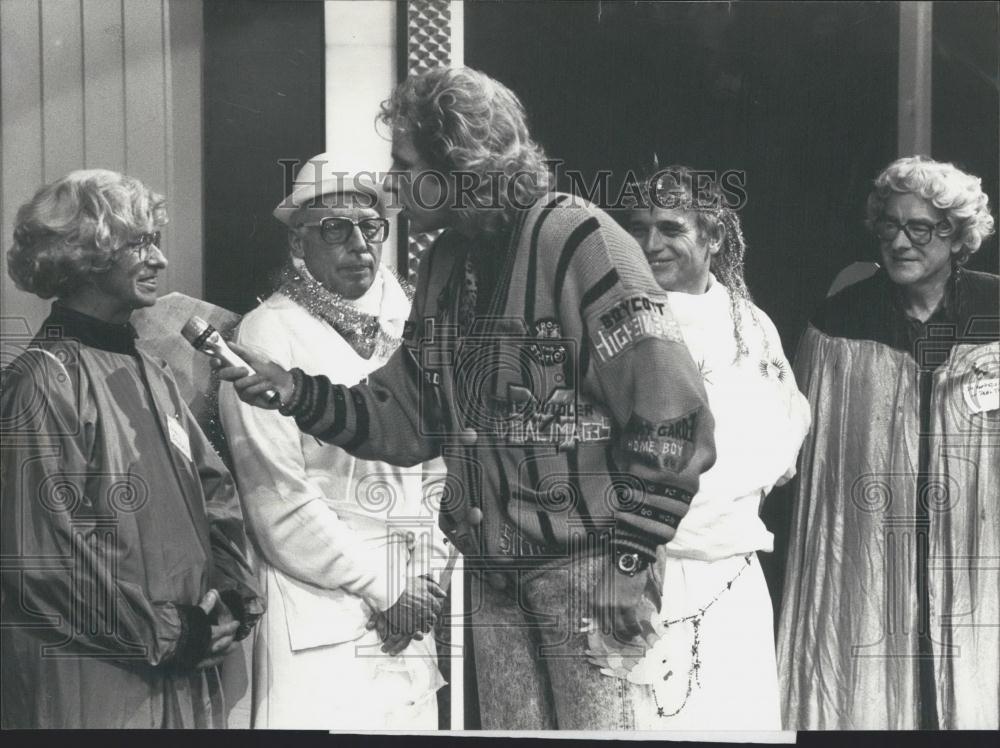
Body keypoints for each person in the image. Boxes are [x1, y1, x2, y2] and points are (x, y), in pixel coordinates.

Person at [215, 66, 718, 730]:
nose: (393, 184)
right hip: (495, 582)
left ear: (460, 165)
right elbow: (409, 417)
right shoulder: (448, 260)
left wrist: (629, 563)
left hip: (589, 576)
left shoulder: (582, 243)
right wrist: (294, 392)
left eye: (405, 163)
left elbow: (672, 418)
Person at [1, 169, 263, 728]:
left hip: (183, 668)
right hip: (97, 678)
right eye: (138, 243)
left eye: (155, 241)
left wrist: (233, 598)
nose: (160, 261)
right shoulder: (44, 382)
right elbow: (42, 559)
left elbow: (213, 496)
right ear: (86, 255)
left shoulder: (153, 371)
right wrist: (170, 633)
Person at [217, 154, 448, 729]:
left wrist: (426, 579)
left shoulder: (411, 324)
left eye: (371, 228)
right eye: (335, 229)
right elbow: (277, 500)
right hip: (321, 603)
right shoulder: (268, 332)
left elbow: (447, 464)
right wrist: (384, 588)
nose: (359, 245)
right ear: (300, 242)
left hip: (413, 604)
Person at [776, 155, 999, 729]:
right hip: (868, 558)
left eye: (919, 228)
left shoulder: (997, 311)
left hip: (979, 558)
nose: (899, 242)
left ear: (956, 237)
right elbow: (808, 463)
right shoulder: (838, 323)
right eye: (889, 226)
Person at [585, 166, 810, 729]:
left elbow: (789, 428)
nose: (650, 244)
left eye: (671, 228)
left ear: (713, 236)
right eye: (637, 228)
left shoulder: (751, 323)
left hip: (731, 574)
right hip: (641, 571)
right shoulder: (610, 323)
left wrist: (742, 485)